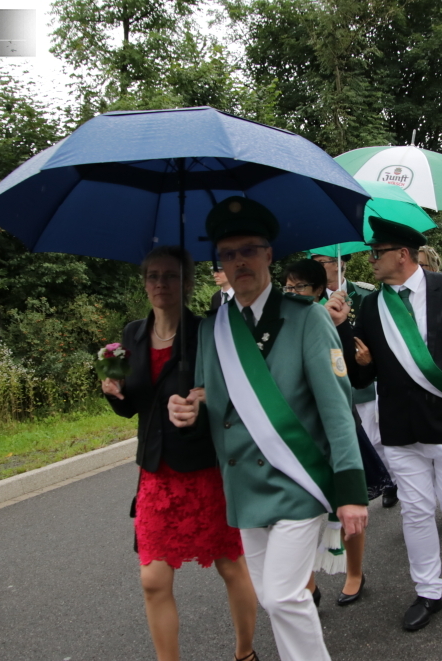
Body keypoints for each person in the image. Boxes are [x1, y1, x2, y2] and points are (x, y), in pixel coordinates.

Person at [169, 197, 368, 661]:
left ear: (269, 255)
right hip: (244, 485)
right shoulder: (213, 328)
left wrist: (351, 490)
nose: (239, 261)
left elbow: (337, 410)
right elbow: (208, 397)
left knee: (282, 596)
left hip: (298, 478)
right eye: (228, 254)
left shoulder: (306, 318)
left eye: (249, 250)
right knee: (273, 598)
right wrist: (188, 409)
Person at [102, 246, 258, 661]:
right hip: (156, 473)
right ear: (144, 283)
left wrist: (202, 402)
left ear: (187, 283)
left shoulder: (207, 331)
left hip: (204, 470)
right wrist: (114, 392)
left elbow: (232, 394)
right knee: (153, 579)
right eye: (153, 276)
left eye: (171, 275)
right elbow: (134, 405)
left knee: (230, 565)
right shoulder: (133, 335)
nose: (160, 284)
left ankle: (245, 653)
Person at [348, 216, 442, 632]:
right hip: (400, 427)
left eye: (377, 253)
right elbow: (361, 376)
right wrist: (359, 358)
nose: (371, 260)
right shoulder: (370, 305)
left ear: (402, 254)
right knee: (415, 511)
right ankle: (429, 591)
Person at [281, 258, 394, 607]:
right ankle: (307, 583)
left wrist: (342, 328)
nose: (292, 293)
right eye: (288, 286)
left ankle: (354, 572)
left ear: (318, 290)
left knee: (349, 504)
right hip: (296, 433)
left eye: (300, 287)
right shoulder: (278, 326)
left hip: (337, 428)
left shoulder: (336, 320)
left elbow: (358, 378)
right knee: (297, 511)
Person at [309, 252, 395, 507]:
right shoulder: (311, 299)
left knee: (374, 436)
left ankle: (389, 481)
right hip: (330, 378)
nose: (316, 267)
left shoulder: (365, 294)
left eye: (321, 262)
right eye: (313, 262)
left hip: (363, 375)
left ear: (339, 264)